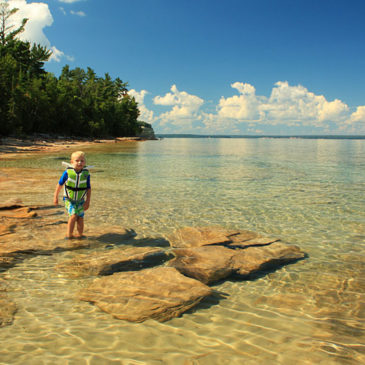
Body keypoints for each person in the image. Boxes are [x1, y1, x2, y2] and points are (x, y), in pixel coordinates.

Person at [53, 151, 91, 239]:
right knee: (73, 216)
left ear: (85, 162)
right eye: (77, 160)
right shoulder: (67, 173)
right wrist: (55, 197)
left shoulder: (86, 174)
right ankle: (69, 235)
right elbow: (59, 185)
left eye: (82, 161)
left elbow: (88, 188)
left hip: (80, 200)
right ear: (71, 162)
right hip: (69, 199)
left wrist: (87, 201)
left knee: (80, 218)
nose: (80, 163)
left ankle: (80, 235)